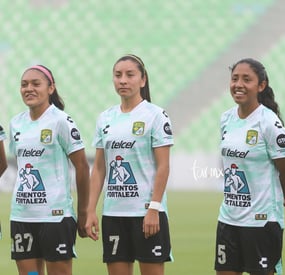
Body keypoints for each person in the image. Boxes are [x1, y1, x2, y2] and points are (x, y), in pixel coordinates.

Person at [85, 54, 174, 275]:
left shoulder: (156, 116)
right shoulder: (105, 118)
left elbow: (163, 166)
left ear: (143, 80)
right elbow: (98, 168)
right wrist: (90, 210)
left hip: (146, 213)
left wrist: (154, 208)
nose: (122, 80)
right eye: (118, 75)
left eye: (129, 75)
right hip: (114, 215)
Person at [215, 58, 285, 275]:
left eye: (246, 79)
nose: (238, 84)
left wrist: (279, 195)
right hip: (229, 218)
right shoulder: (226, 119)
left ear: (261, 85)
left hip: (261, 222)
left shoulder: (269, 123)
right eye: (234, 79)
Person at [8, 65, 90, 275]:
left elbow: (81, 166)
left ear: (51, 88)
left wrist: (83, 212)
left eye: (36, 84)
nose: (29, 88)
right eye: (24, 84)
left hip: (55, 217)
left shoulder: (61, 121)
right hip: (22, 217)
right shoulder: (16, 124)